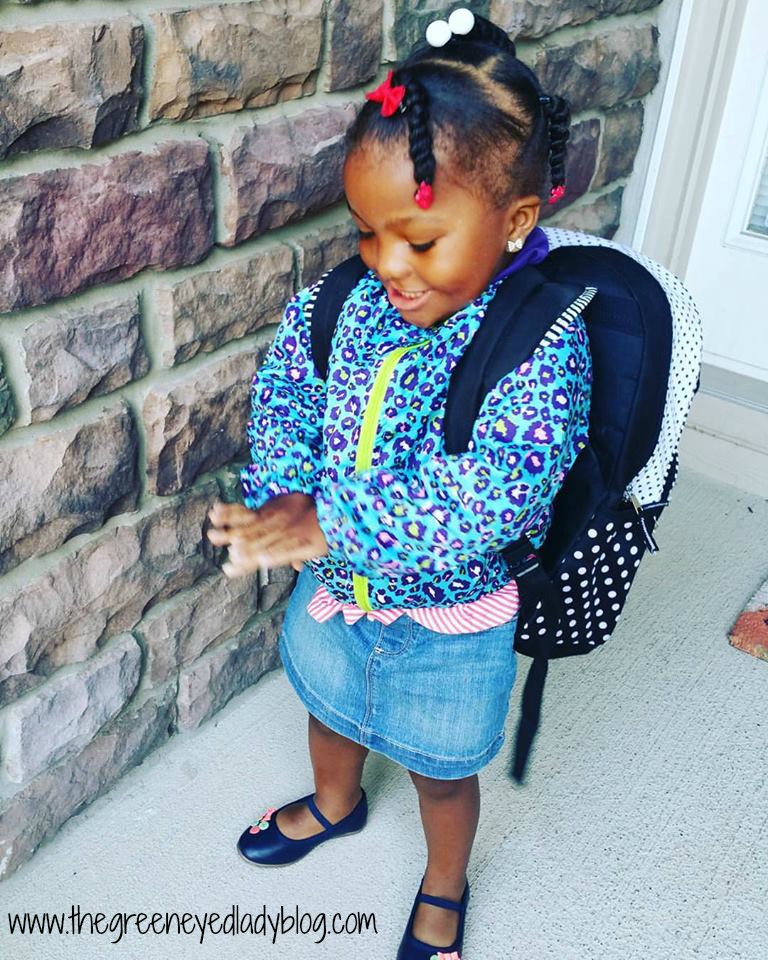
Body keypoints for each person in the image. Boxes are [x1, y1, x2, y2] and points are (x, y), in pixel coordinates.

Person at [206, 8, 592, 958]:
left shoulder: (541, 342)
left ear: (515, 221)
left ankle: (445, 884)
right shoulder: (340, 303)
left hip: (453, 622)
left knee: (440, 772)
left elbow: (495, 491)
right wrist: (283, 497)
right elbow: (289, 398)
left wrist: (334, 520)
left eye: (420, 241)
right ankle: (335, 802)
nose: (388, 265)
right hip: (338, 594)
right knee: (328, 712)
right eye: (369, 234)